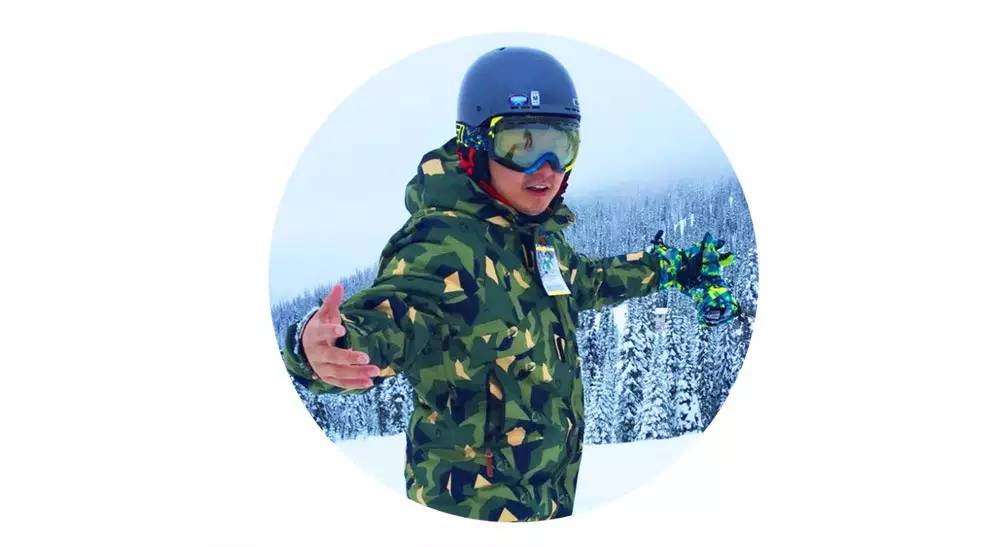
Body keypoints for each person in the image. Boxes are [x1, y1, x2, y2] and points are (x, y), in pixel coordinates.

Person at [280, 46, 739, 522]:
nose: (547, 169)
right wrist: (322, 348)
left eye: (561, 146)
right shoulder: (441, 244)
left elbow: (588, 281)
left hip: (549, 502)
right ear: (477, 145)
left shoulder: (537, 240)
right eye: (522, 145)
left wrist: (669, 265)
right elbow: (392, 318)